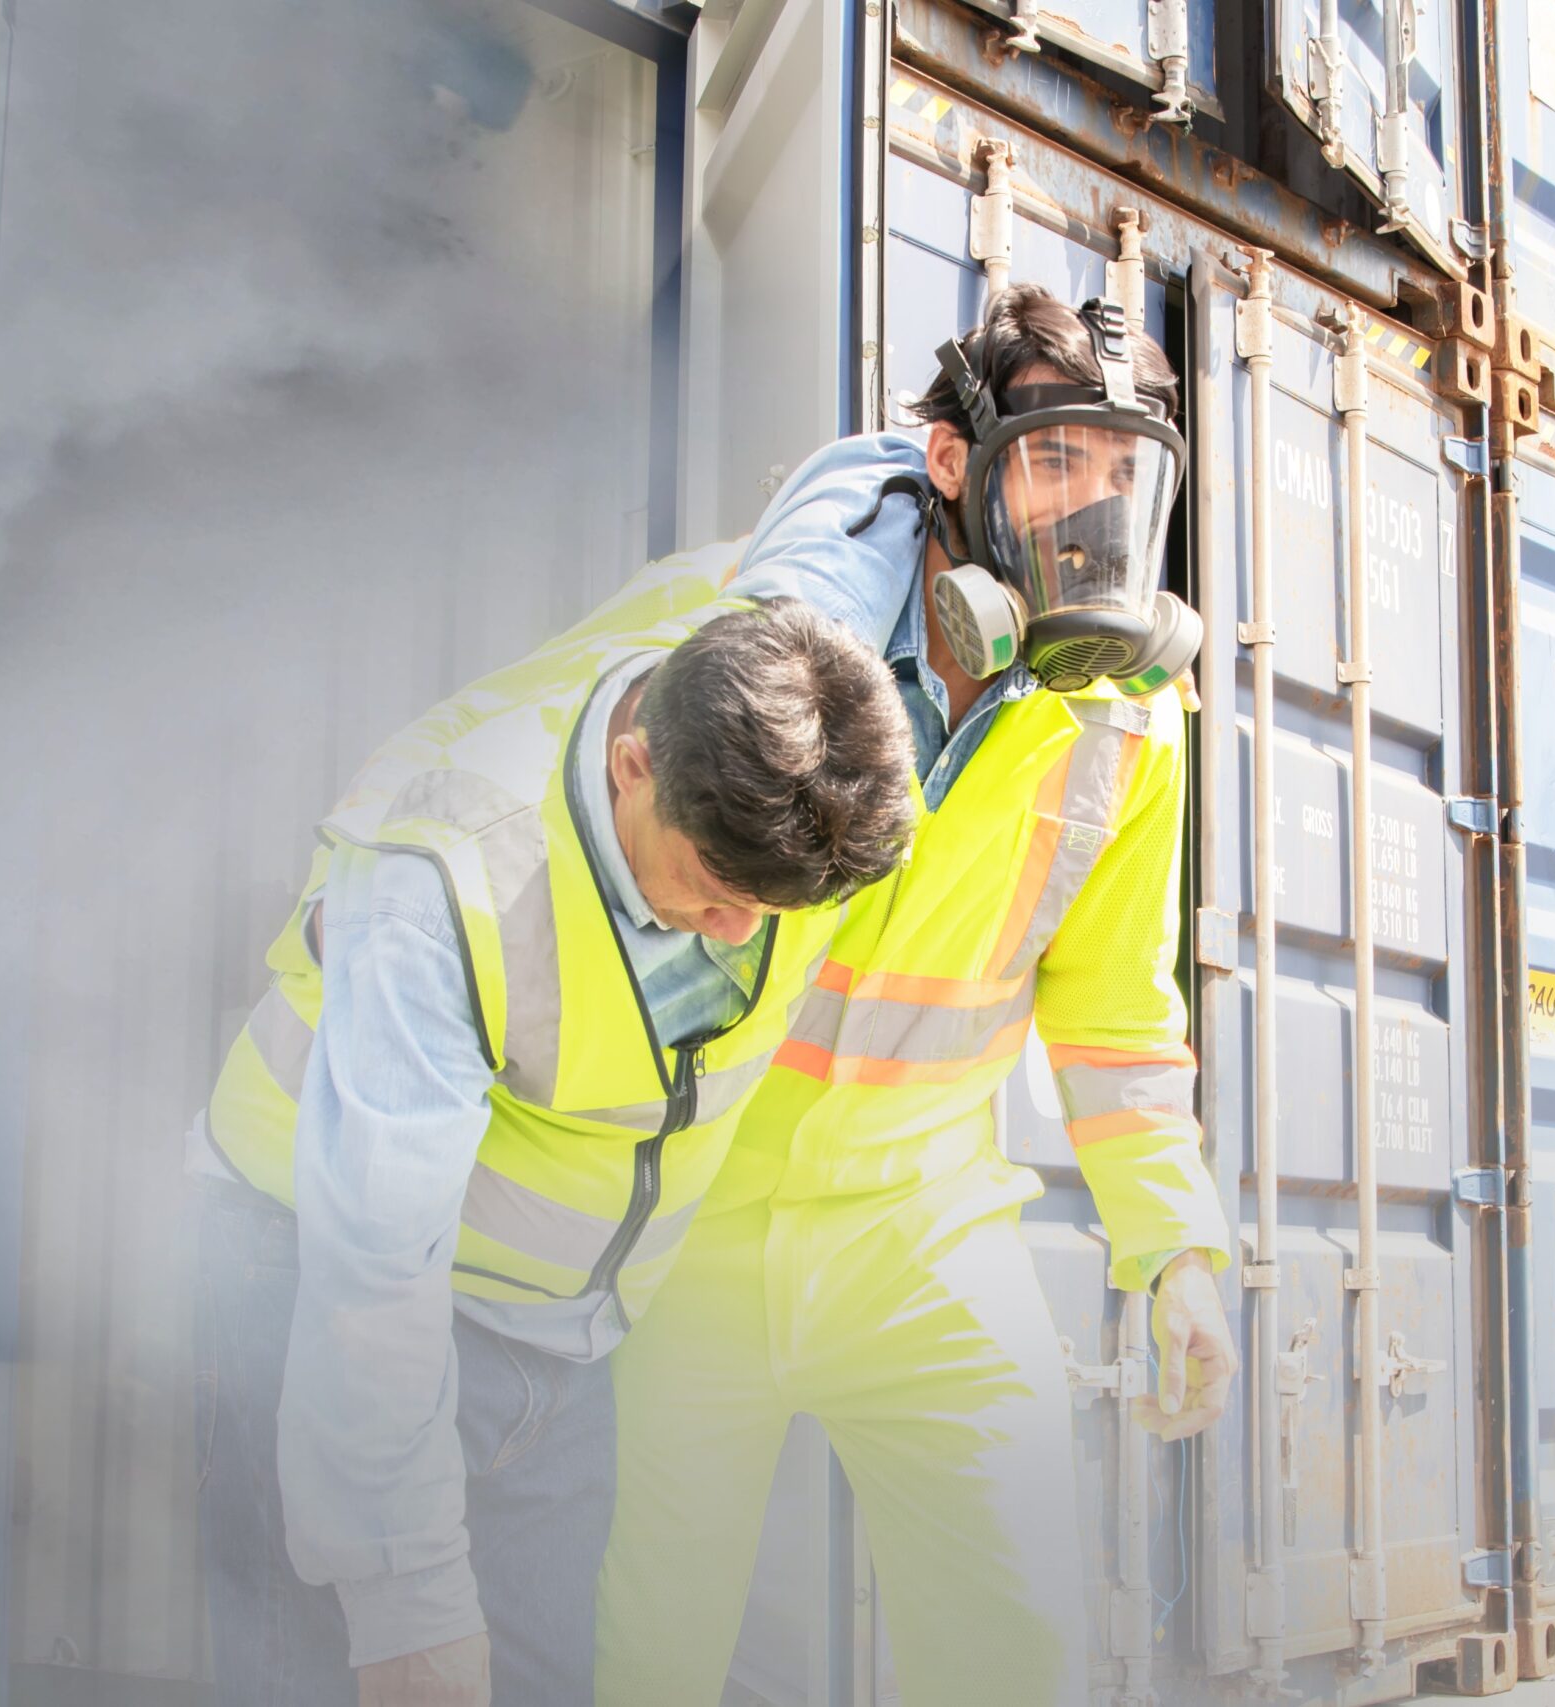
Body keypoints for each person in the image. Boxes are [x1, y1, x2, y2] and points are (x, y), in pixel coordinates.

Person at [596, 285, 1239, 1706]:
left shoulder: (1132, 714)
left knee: (1020, 1645)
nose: (1093, 508)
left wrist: (1176, 1247)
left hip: (928, 1233)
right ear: (953, 462)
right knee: (648, 1650)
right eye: (1057, 456)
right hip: (696, 1223)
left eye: (1126, 470)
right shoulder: (773, 658)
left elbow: (1119, 1011)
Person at [188, 564, 916, 1707]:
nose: (739, 933)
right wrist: (405, 1603)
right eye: (717, 889)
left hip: (556, 1331)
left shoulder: (778, 698)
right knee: (364, 1670)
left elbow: (854, 525)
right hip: (313, 1265)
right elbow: (373, 1280)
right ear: (636, 766)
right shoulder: (446, 872)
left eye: (777, 911)